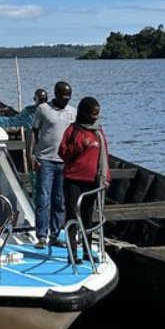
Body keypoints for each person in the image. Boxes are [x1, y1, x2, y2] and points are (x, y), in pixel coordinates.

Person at [58, 96, 109, 255]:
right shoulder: (73, 130)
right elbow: (63, 153)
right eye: (93, 113)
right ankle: (72, 252)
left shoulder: (99, 132)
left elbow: (104, 156)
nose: (95, 117)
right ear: (84, 113)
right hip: (73, 180)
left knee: (88, 217)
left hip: (92, 181)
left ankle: (87, 251)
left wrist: (106, 177)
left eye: (97, 114)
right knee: (73, 216)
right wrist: (80, 145)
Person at [30, 81, 75, 248]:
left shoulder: (73, 112)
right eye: (63, 97)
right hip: (45, 159)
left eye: (69, 97)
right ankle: (41, 235)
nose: (66, 100)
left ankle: (55, 235)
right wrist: (31, 154)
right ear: (56, 94)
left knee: (59, 200)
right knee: (43, 198)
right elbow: (34, 131)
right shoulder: (43, 109)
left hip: (64, 162)